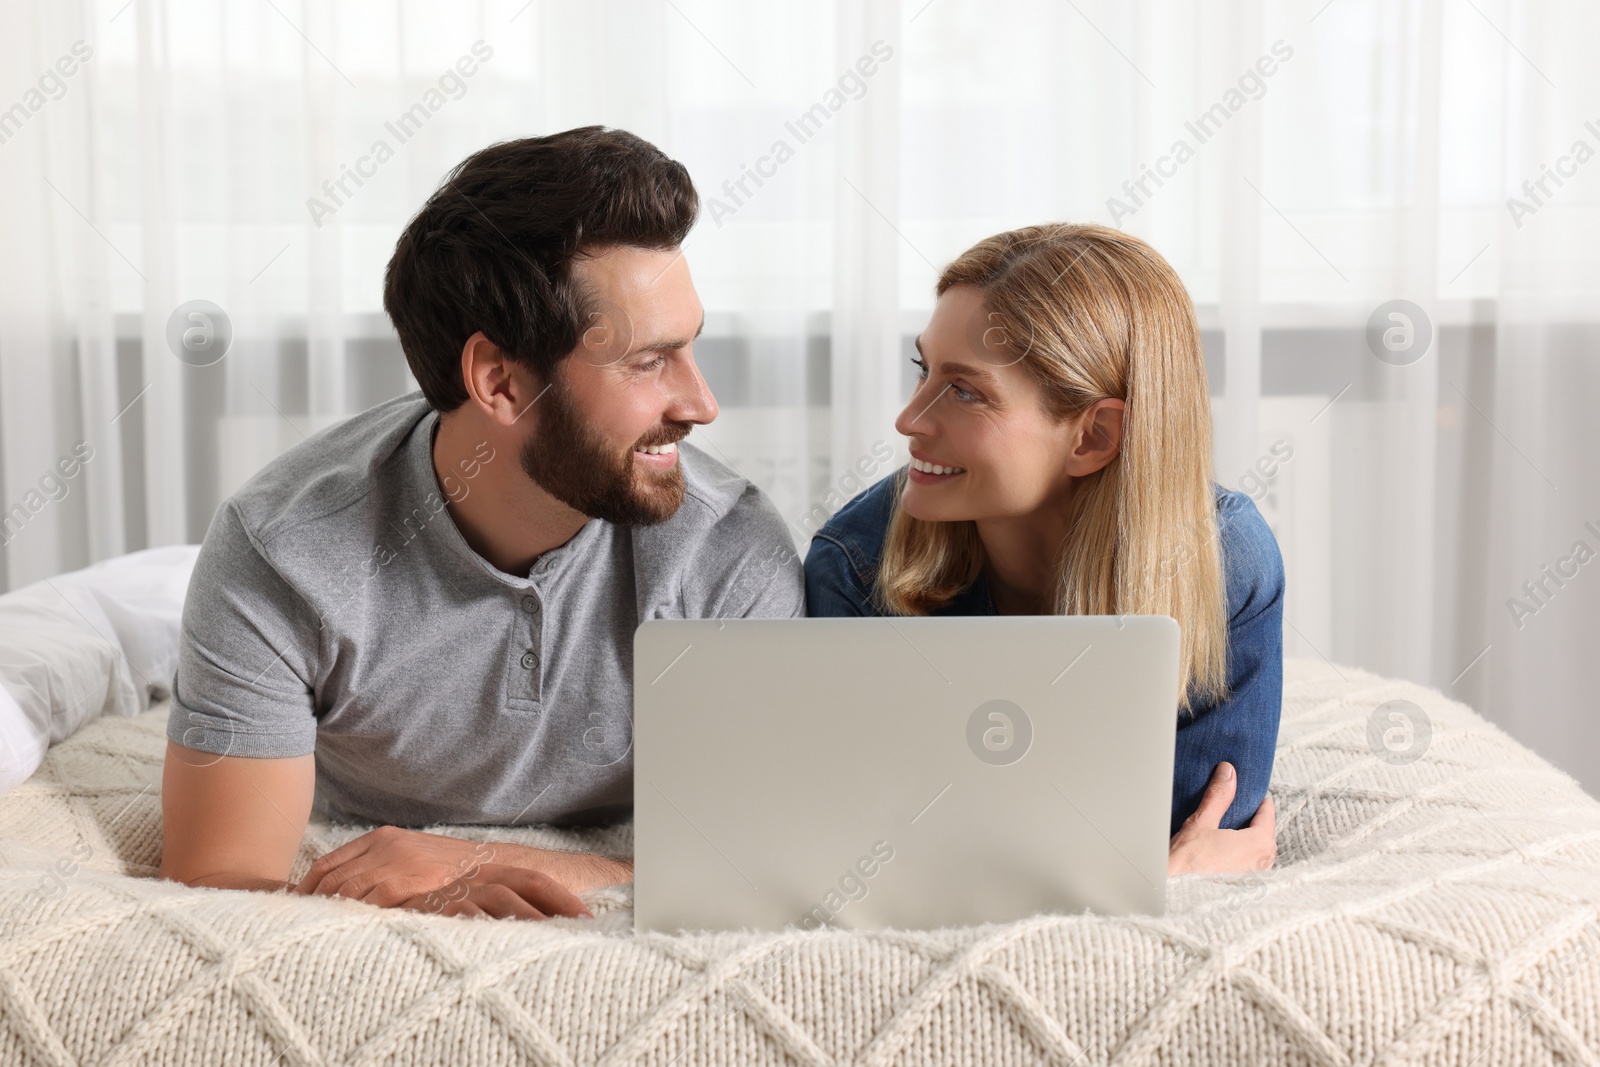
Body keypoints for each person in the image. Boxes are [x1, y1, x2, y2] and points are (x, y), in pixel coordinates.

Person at [159, 127, 805, 920]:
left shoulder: (727, 547)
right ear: (499, 382)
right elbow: (220, 887)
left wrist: (482, 858)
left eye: (691, 349)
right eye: (647, 362)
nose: (701, 404)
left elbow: (760, 855)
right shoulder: (284, 553)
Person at [804, 223, 1282, 876]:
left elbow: (1202, 824)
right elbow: (877, 849)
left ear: (1094, 435)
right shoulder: (855, 565)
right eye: (924, 369)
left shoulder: (1228, 563)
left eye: (965, 391)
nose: (910, 418)